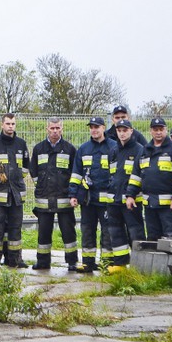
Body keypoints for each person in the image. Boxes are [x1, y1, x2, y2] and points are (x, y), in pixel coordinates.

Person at [125, 118, 172, 241]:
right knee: (152, 239)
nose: (158, 132)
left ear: (165, 130)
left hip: (169, 206)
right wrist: (130, 195)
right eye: (155, 130)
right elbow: (136, 176)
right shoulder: (144, 150)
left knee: (170, 239)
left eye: (161, 129)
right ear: (151, 131)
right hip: (150, 204)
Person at [0, 113, 30, 269]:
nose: (10, 126)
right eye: (8, 124)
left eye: (13, 124)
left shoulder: (21, 144)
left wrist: (15, 179)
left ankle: (15, 259)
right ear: (2, 125)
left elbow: (25, 168)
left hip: (16, 195)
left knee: (15, 228)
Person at [29, 117, 78, 271]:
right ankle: (43, 262)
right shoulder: (38, 149)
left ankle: (72, 262)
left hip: (64, 200)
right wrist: (41, 186)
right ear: (47, 129)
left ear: (62, 129)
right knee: (43, 233)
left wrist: (70, 192)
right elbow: (33, 171)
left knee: (68, 232)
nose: (55, 131)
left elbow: (74, 172)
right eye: (52, 128)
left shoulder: (70, 149)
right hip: (44, 200)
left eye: (58, 128)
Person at [69, 117, 117, 273]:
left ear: (104, 128)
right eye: (92, 127)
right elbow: (76, 173)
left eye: (97, 127)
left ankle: (107, 264)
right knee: (87, 230)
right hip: (88, 200)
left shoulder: (114, 147)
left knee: (107, 232)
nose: (94, 130)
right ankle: (88, 263)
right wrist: (73, 194)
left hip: (107, 201)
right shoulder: (83, 149)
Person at [105, 119, 145, 272]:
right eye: (119, 130)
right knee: (116, 232)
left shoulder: (140, 150)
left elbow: (141, 175)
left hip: (131, 201)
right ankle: (120, 264)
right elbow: (112, 174)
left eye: (124, 130)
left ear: (131, 131)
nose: (121, 133)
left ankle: (139, 264)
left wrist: (131, 195)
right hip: (114, 200)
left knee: (136, 232)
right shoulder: (114, 150)